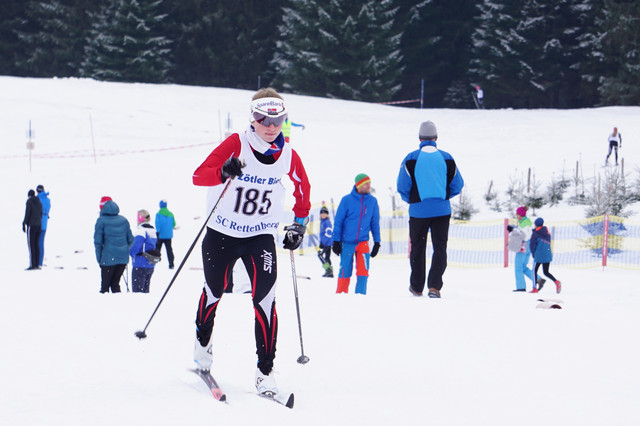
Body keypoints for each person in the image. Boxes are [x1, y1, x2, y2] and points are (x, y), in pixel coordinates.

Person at [191, 87, 311, 396]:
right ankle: (202, 347)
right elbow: (199, 175)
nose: (271, 127)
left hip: (260, 235)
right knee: (214, 291)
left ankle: (265, 371)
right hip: (222, 232)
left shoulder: (288, 155)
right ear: (253, 119)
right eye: (264, 120)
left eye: (278, 121)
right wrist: (222, 172)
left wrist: (299, 223)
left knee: (265, 300)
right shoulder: (236, 143)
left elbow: (303, 187)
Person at [397, 120, 464, 298]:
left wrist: (412, 200)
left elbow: (402, 185)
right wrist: (444, 196)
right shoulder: (446, 157)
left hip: (418, 212)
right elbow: (458, 184)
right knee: (440, 248)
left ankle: (417, 286)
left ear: (419, 138)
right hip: (442, 211)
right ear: (436, 138)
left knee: (417, 248)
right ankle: (434, 286)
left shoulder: (411, 158)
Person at [332, 174, 381, 295]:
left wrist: (377, 242)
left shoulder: (372, 202)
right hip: (347, 242)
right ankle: (341, 295)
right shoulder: (346, 200)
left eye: (369, 183)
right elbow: (338, 222)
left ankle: (360, 296)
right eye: (366, 183)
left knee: (363, 271)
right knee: (345, 270)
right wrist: (336, 241)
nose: (369, 186)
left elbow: (375, 223)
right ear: (358, 185)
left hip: (363, 242)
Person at [94, 198, 133, 293]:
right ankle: (119, 305)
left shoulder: (101, 221)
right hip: (122, 260)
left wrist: (100, 259)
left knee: (105, 288)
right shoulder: (124, 220)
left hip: (108, 259)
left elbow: (98, 242)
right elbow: (131, 240)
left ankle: (104, 306)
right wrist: (124, 251)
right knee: (115, 284)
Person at [529, 218, 562, 294]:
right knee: (546, 272)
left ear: (535, 224)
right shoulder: (547, 233)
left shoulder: (535, 233)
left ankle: (534, 288)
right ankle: (556, 282)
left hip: (538, 256)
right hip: (547, 255)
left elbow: (532, 245)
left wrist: (533, 253)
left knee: (534, 271)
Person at [130, 209, 159, 293]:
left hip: (139, 264)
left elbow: (135, 247)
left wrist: (130, 253)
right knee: (145, 291)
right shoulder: (153, 231)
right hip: (150, 264)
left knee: (138, 292)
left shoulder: (141, 231)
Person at [512, 206, 539, 292]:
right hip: (529, 247)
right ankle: (538, 279)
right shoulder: (528, 222)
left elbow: (525, 236)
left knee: (518, 267)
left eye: (517, 214)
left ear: (520, 215)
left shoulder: (523, 224)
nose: (516, 215)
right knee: (523, 267)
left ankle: (521, 287)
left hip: (523, 246)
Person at [23, 189, 42, 270]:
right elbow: (40, 214)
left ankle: (32, 264)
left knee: (31, 245)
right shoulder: (39, 202)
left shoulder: (29, 202)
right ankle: (37, 264)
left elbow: (27, 213)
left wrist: (24, 223)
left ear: (29, 195)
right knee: (36, 244)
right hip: (39, 225)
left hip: (32, 225)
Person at [155, 199, 176, 269]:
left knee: (157, 248)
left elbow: (157, 224)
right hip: (169, 235)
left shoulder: (158, 214)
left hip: (160, 235)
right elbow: (174, 224)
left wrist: (158, 232)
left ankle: (157, 259)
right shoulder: (171, 214)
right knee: (169, 249)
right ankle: (171, 263)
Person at [317, 205, 334, 278]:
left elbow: (329, 233)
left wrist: (324, 243)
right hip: (326, 243)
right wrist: (321, 242)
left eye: (325, 213)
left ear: (327, 214)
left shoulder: (327, 222)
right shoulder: (322, 222)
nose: (323, 214)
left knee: (320, 255)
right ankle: (329, 272)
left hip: (328, 243)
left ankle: (329, 270)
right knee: (327, 257)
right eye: (322, 213)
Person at [36, 184, 50, 267]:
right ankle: (40, 262)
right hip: (44, 223)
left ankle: (37, 261)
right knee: (41, 242)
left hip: (37, 222)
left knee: (36, 243)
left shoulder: (38, 199)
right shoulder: (48, 200)